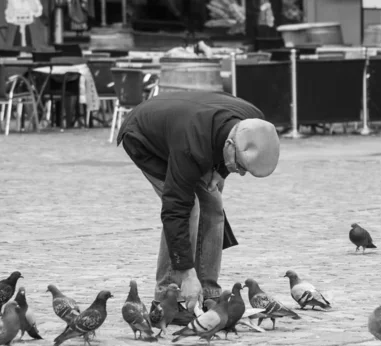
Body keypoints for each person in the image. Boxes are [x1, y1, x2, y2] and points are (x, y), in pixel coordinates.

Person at [117, 91, 280, 319]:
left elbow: (227, 141)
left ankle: (209, 292)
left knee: (213, 203)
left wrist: (222, 170)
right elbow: (175, 210)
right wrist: (186, 272)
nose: (241, 174)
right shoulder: (191, 148)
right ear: (231, 145)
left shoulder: (253, 123)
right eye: (240, 167)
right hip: (144, 138)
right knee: (190, 206)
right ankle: (167, 300)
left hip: (188, 127)